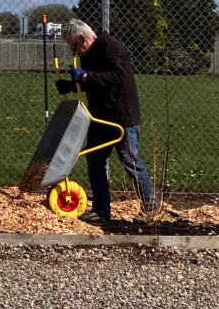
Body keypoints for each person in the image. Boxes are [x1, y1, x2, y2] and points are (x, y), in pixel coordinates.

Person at [55, 18, 158, 223]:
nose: (73, 52)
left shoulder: (111, 47)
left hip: (122, 116)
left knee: (130, 161)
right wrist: (70, 85)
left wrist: (86, 77)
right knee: (95, 161)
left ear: (83, 39)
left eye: (72, 46)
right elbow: (95, 81)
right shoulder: (88, 55)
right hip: (101, 117)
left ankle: (151, 207)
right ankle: (101, 210)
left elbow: (118, 76)